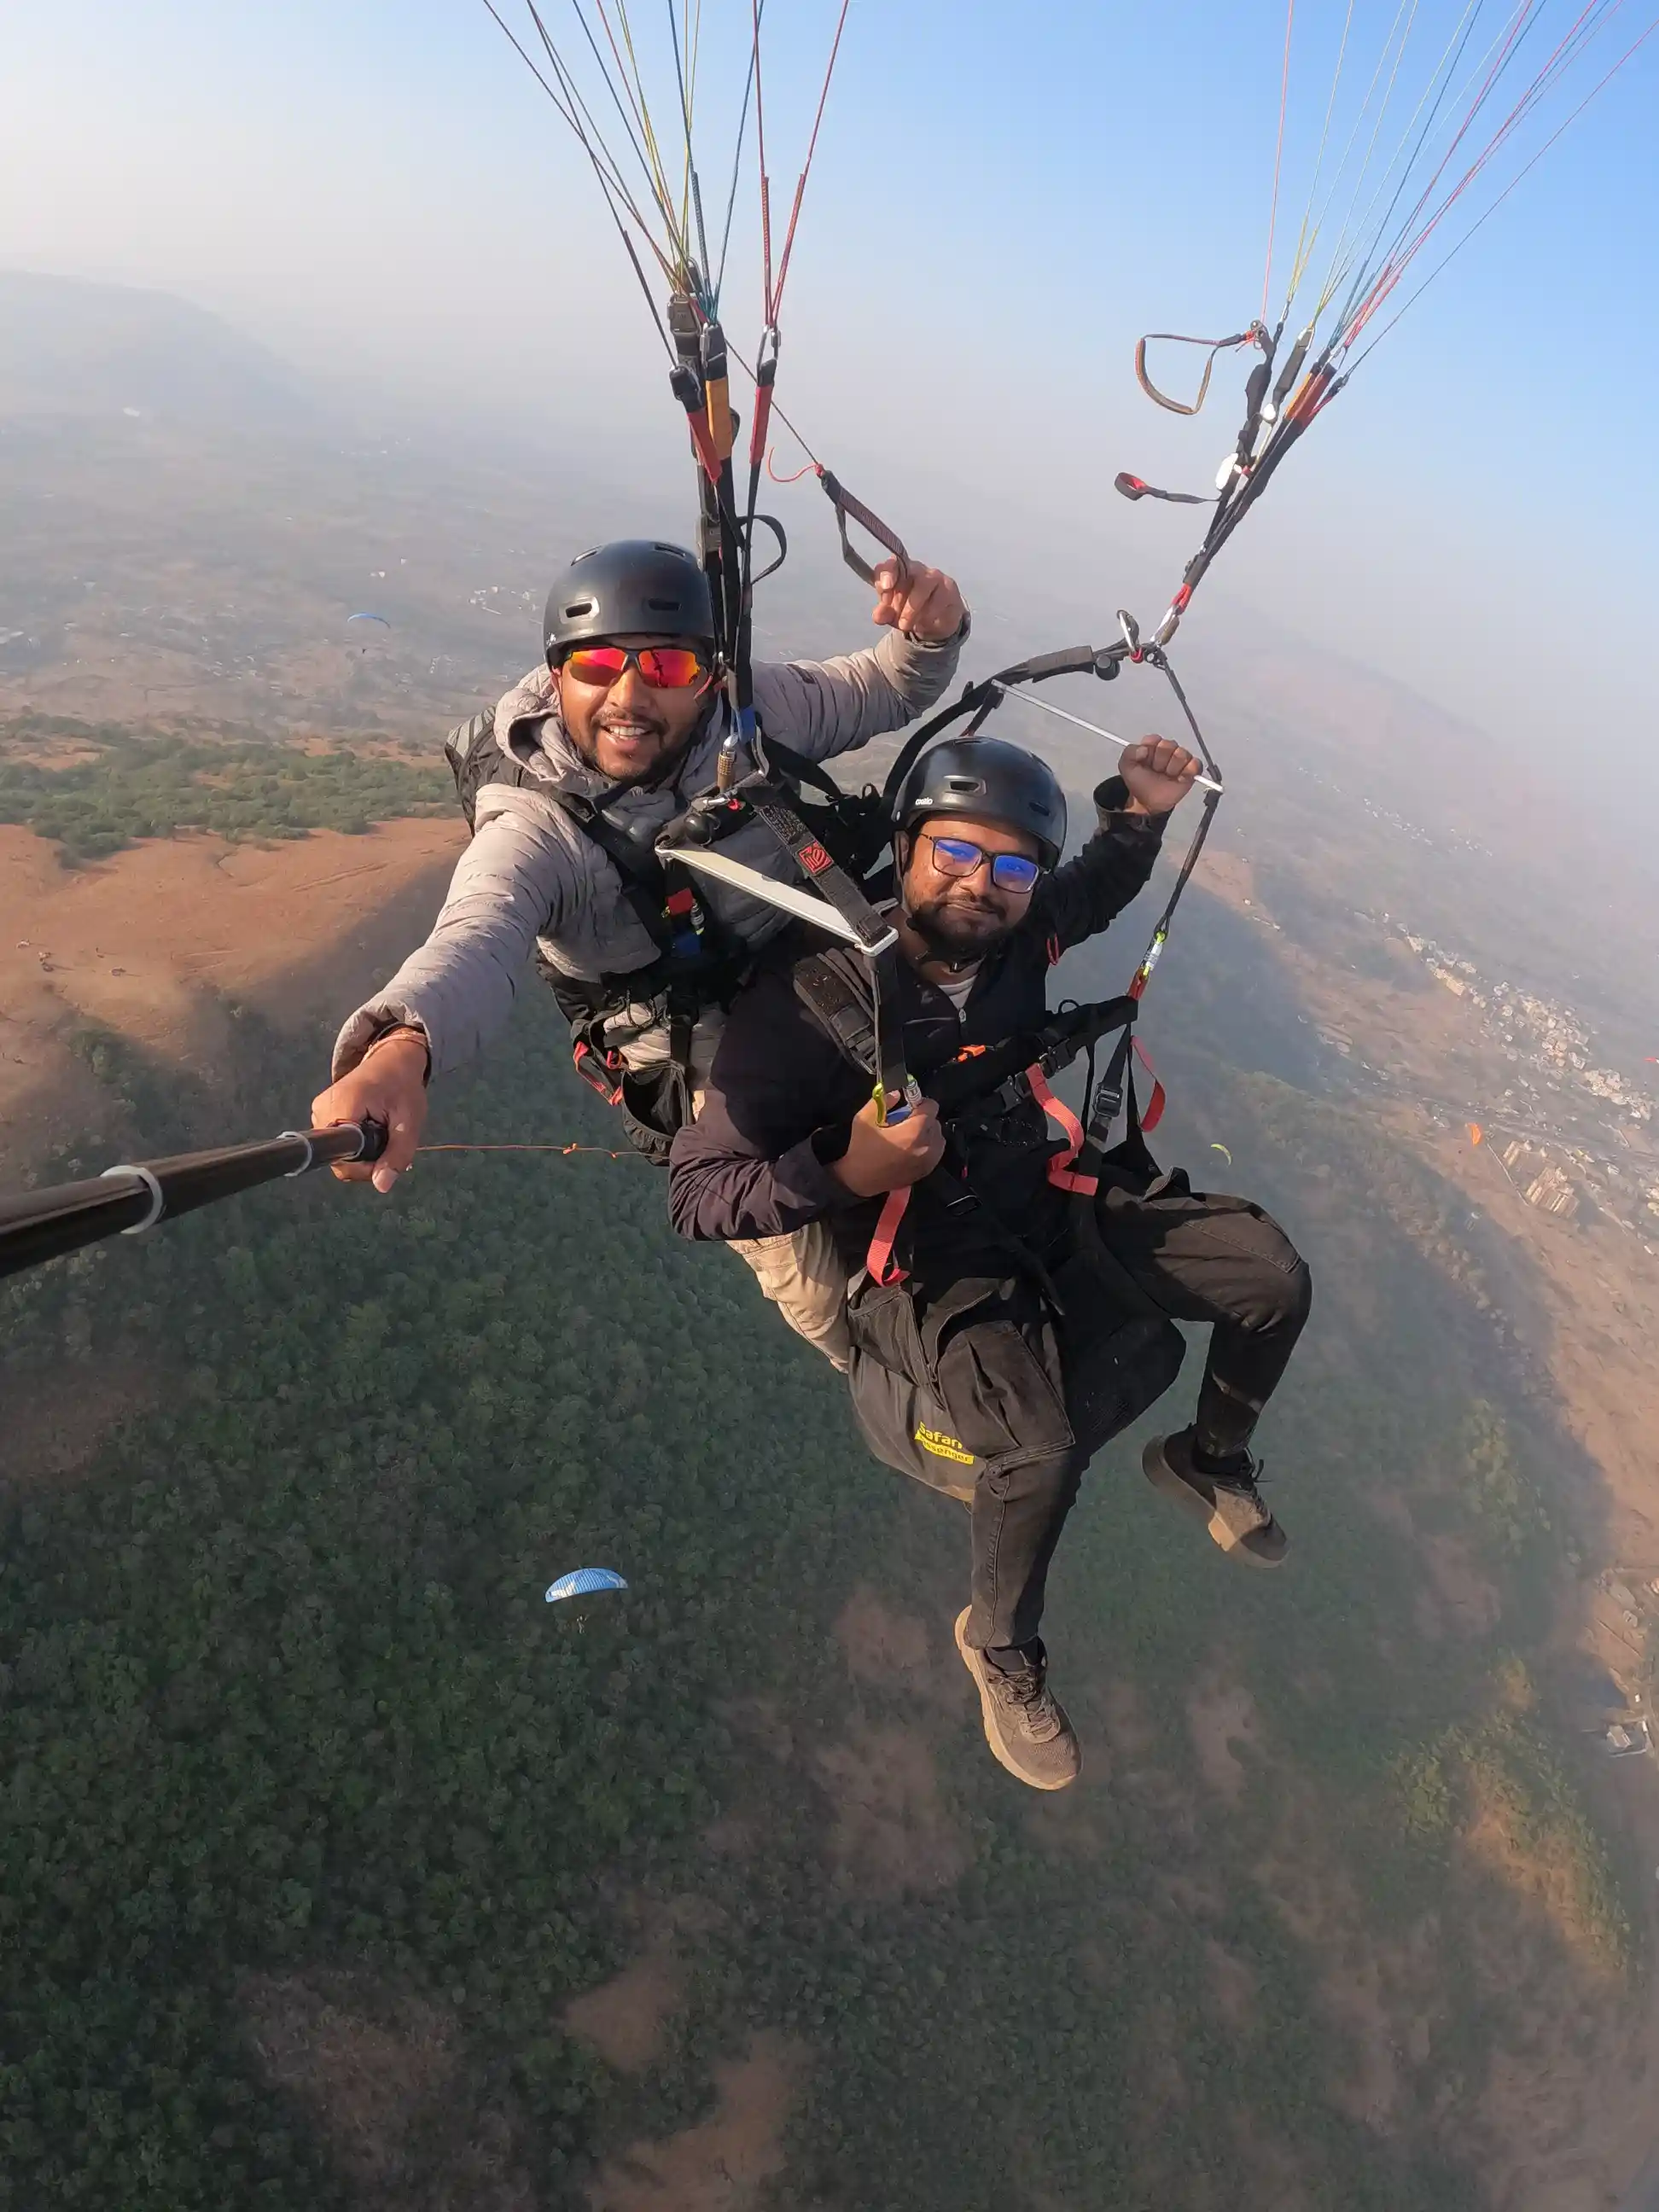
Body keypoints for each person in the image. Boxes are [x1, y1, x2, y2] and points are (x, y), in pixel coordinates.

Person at [667, 734, 1313, 1791]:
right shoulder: (808, 1002)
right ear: (907, 850)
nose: (983, 886)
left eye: (1012, 870)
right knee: (1037, 1445)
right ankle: (1001, 1649)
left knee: (1269, 1277)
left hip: (1038, 1184)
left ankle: (1208, 1457)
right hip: (924, 1246)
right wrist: (846, 1162)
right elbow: (699, 1193)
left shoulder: (1016, 941)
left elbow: (1094, 890)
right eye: (956, 857)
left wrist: (1140, 814)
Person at [310, 538, 966, 1357]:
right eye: (594, 668)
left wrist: (931, 632)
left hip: (811, 973)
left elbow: (886, 685)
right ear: (557, 677)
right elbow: (478, 933)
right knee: (819, 1287)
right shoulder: (536, 830)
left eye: (663, 669)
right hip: (705, 1052)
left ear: (710, 676)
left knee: (975, 903)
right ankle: (892, 1383)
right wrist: (401, 1044)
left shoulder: (752, 719)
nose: (627, 697)